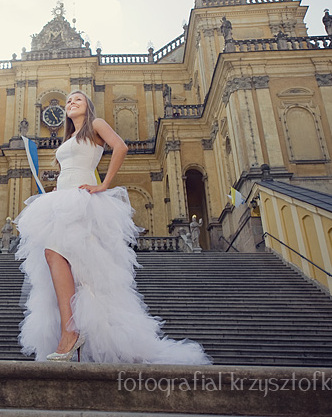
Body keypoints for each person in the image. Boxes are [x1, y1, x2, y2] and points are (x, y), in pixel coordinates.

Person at [14, 91, 211, 364]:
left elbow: (120, 147)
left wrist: (104, 184)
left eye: (77, 100)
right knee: (65, 261)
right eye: (69, 101)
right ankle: (73, 335)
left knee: (59, 255)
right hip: (62, 200)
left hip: (83, 200)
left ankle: (71, 333)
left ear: (88, 106)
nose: (71, 103)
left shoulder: (96, 125)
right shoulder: (68, 137)